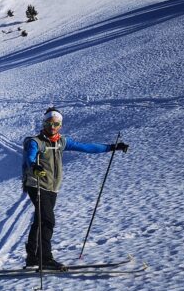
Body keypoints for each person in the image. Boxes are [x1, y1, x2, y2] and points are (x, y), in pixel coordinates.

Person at [22, 107, 129, 269]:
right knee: (48, 220)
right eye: (49, 123)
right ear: (44, 123)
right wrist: (35, 167)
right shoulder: (35, 142)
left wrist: (111, 147)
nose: (52, 127)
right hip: (37, 185)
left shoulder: (61, 142)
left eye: (56, 124)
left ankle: (32, 257)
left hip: (52, 187)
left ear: (60, 125)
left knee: (40, 220)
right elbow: (30, 156)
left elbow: (86, 147)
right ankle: (45, 259)